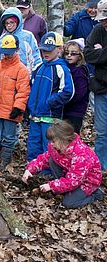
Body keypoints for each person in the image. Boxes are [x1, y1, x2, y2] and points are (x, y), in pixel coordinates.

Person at [22, 120, 103, 208]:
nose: (51, 144)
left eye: (53, 141)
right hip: (70, 174)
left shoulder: (81, 154)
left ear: (64, 139)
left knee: (68, 203)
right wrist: (30, 170)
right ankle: (63, 187)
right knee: (51, 159)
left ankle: (96, 195)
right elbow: (44, 159)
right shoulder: (56, 147)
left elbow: (74, 180)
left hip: (87, 181)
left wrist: (51, 186)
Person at [27, 32, 74, 162]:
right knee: (33, 144)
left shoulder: (61, 68)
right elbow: (31, 86)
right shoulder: (39, 66)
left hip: (50, 116)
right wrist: (29, 105)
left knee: (48, 146)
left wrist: (50, 102)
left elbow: (67, 91)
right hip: (35, 115)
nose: (45, 53)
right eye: (43, 50)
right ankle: (32, 169)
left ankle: (47, 173)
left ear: (59, 49)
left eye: (49, 50)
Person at [0, 34, 30, 171]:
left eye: (10, 53)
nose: (7, 56)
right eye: (5, 53)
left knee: (9, 137)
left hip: (11, 110)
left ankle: (5, 160)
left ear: (17, 50)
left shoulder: (22, 69)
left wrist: (18, 107)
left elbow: (23, 90)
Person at [83, 0, 107, 172]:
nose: (104, 22)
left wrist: (102, 52)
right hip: (101, 88)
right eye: (102, 19)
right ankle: (101, 168)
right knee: (101, 131)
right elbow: (89, 54)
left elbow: (96, 54)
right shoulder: (98, 30)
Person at [0, 7, 42, 73]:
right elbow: (0, 58)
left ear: (18, 21)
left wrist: (36, 72)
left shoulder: (27, 36)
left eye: (12, 22)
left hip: (26, 73)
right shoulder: (2, 38)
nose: (9, 25)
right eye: (6, 23)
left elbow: (35, 56)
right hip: (7, 74)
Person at [62, 38, 90, 134]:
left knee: (71, 136)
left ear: (80, 56)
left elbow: (79, 93)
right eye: (67, 53)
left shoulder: (80, 71)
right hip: (63, 110)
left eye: (73, 54)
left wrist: (64, 100)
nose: (69, 56)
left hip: (75, 111)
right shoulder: (64, 68)